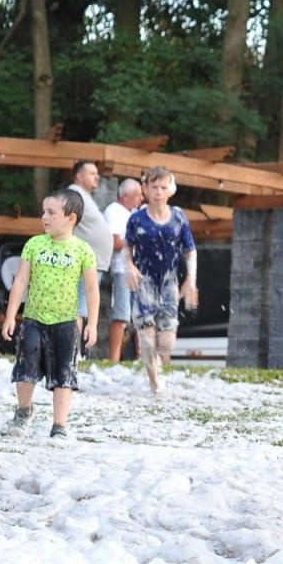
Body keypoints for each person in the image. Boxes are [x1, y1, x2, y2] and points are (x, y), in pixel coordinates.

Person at [0, 188, 99, 438]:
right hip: (34, 320)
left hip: (66, 323)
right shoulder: (34, 245)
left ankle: (59, 425)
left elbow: (91, 289)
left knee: (65, 374)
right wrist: (11, 316)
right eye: (44, 212)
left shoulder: (83, 250)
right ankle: (23, 411)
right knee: (25, 368)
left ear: (71, 218)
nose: (44, 217)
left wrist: (92, 323)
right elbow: (20, 282)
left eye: (51, 213)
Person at [124, 166, 198, 394]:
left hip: (168, 285)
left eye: (163, 187)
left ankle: (154, 359)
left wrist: (191, 280)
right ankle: (154, 383)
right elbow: (127, 246)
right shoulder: (137, 219)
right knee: (147, 339)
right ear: (145, 189)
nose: (158, 192)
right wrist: (129, 266)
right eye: (154, 187)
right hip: (143, 283)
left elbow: (190, 250)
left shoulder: (178, 217)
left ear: (170, 190)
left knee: (166, 344)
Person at [68, 160, 114, 356]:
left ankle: (75, 353)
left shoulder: (85, 197)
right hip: (83, 263)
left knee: (82, 308)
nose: (97, 177)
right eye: (92, 173)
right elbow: (64, 223)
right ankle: (73, 354)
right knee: (77, 309)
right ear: (79, 176)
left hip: (94, 263)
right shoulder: (73, 194)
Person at [102, 177, 143, 362]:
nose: (141, 199)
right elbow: (115, 242)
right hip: (123, 269)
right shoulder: (114, 211)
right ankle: (114, 360)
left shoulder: (135, 213)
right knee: (122, 315)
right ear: (125, 196)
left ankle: (142, 359)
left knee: (142, 316)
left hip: (140, 270)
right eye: (137, 195)